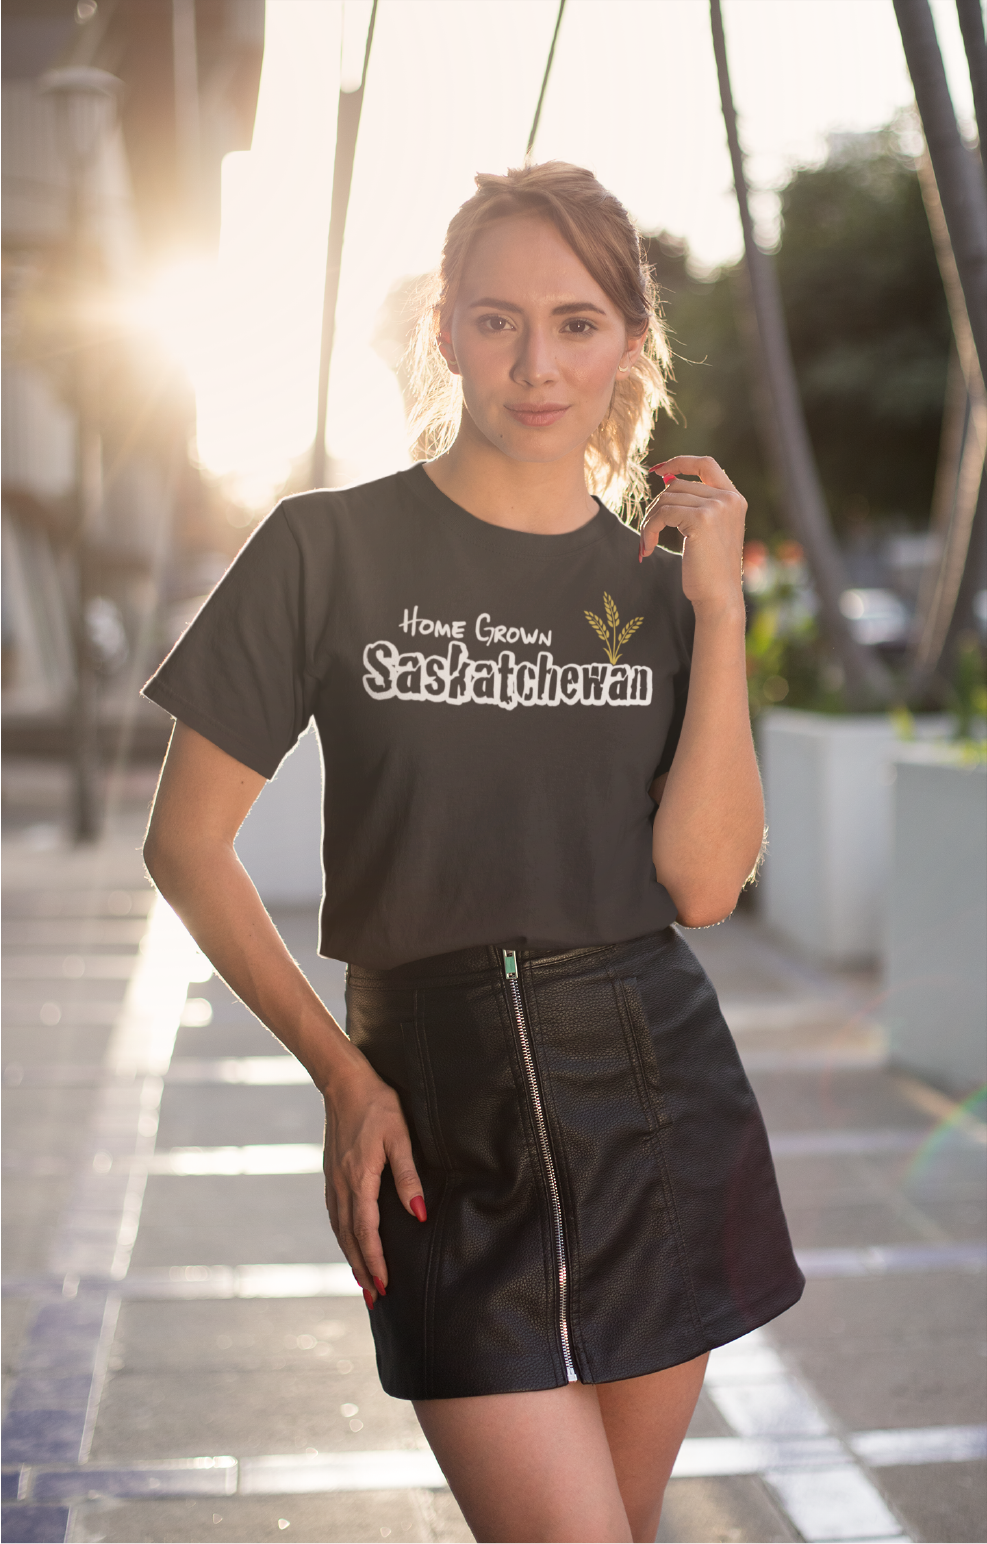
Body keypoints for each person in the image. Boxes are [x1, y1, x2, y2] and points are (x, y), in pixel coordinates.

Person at [142, 161, 804, 1544]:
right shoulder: (325, 549)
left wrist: (716, 614)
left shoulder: (651, 588)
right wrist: (340, 1075)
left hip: (652, 1099)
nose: (536, 361)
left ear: (628, 343)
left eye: (575, 322)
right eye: (496, 318)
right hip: (433, 1112)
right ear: (444, 329)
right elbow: (187, 844)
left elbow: (698, 882)